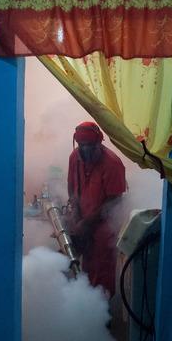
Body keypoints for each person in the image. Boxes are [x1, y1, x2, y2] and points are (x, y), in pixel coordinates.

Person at [66, 121, 127, 300]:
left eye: (89, 146)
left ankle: (102, 312)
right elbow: (71, 186)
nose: (84, 151)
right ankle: (88, 307)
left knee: (102, 275)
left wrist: (88, 222)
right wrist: (76, 214)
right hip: (82, 220)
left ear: (99, 142)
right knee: (85, 269)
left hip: (104, 226)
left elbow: (115, 199)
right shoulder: (74, 157)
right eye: (81, 146)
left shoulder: (112, 163)